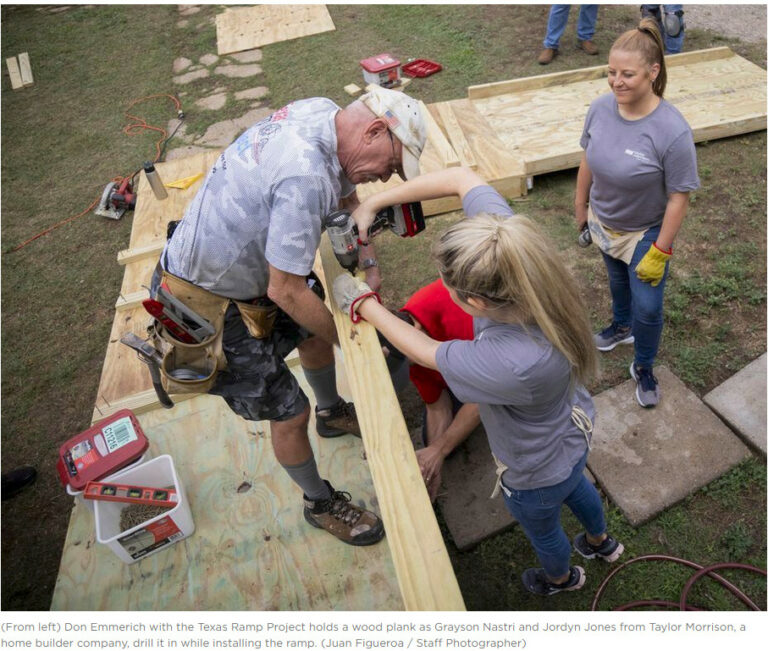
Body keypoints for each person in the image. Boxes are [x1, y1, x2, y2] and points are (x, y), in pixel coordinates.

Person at [154, 86, 426, 546]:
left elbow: (345, 197)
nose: (386, 178)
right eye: (392, 164)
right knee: (289, 412)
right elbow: (287, 290)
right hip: (207, 303)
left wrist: (370, 262)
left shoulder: (324, 115)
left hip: (255, 276)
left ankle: (332, 412)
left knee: (312, 331)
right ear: (375, 130)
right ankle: (319, 503)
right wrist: (357, 345)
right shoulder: (304, 176)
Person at [333, 166, 624, 596]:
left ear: (475, 301)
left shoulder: (510, 361)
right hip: (571, 434)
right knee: (578, 487)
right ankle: (602, 542)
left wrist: (364, 304)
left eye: (449, 287)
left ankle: (561, 578)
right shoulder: (511, 247)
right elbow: (460, 178)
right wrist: (374, 203)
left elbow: (423, 351)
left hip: (533, 471)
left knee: (545, 532)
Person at [575, 18, 699, 407]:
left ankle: (643, 364)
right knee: (616, 281)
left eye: (627, 74)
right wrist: (581, 207)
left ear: (653, 71)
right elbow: (588, 159)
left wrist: (660, 250)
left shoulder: (671, 130)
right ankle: (621, 325)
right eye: (611, 73)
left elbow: (679, 196)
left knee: (649, 305)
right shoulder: (599, 109)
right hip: (604, 219)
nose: (616, 82)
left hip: (645, 231)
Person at [397, 279, 480, 501]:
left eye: (410, 363)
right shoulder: (403, 345)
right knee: (433, 444)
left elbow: (483, 397)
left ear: (416, 330)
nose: (413, 366)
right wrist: (432, 462)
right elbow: (436, 405)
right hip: (469, 374)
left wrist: (440, 450)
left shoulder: (464, 318)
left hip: (500, 372)